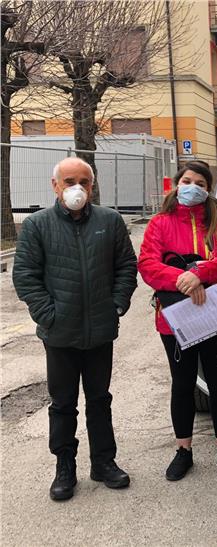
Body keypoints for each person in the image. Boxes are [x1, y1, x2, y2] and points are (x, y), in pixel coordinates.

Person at [13, 157, 137, 501]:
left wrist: (116, 304)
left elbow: (126, 265)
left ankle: (104, 463)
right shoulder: (37, 225)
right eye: (69, 181)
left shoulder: (110, 221)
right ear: (55, 186)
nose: (77, 188)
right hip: (60, 334)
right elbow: (25, 276)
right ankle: (64, 468)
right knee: (63, 403)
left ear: (92, 185)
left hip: (100, 331)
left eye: (84, 181)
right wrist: (49, 315)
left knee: (100, 400)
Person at [138, 162, 217, 481]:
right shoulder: (160, 223)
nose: (192, 186)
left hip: (216, 315)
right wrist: (184, 278)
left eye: (200, 182)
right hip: (174, 319)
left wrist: (198, 274)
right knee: (182, 384)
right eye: (187, 180)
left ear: (208, 189)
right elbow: (147, 264)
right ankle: (184, 449)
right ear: (176, 184)